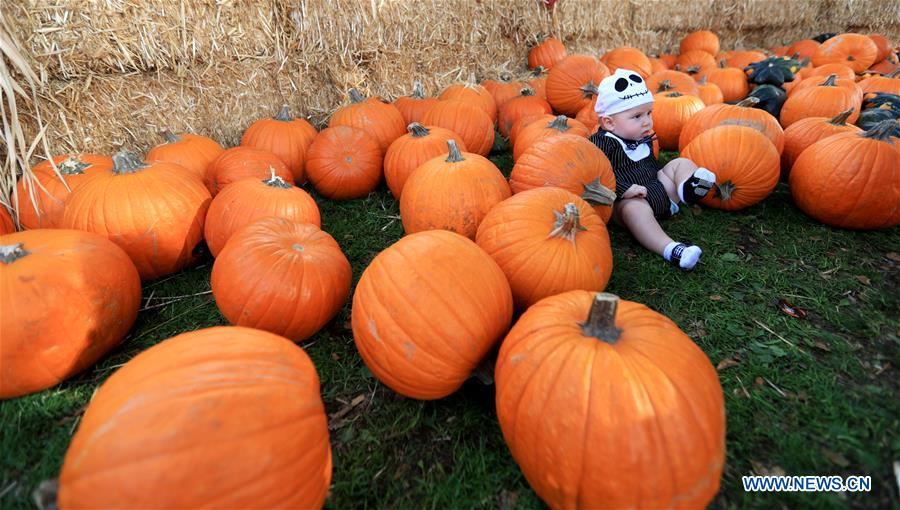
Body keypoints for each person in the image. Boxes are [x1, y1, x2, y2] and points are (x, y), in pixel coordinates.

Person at [588, 68, 717, 270]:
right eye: (637, 116)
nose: (647, 121)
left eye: (649, 113)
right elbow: (596, 176)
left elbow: (651, 167)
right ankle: (671, 249)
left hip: (657, 191)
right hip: (627, 201)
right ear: (609, 122)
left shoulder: (642, 137)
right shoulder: (601, 144)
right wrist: (623, 189)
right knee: (633, 208)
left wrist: (666, 181)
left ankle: (687, 188)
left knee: (679, 163)